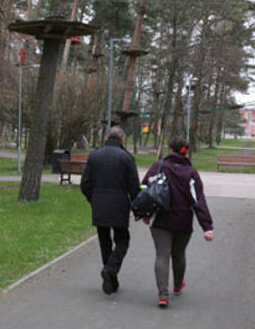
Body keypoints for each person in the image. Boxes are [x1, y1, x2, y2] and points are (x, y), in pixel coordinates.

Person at [141, 138, 214, 309]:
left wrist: (145, 213)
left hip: (160, 220)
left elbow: (145, 189)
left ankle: (163, 295)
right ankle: (177, 285)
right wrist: (207, 227)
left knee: (162, 255)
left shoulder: (158, 167)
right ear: (186, 152)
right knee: (179, 254)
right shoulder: (191, 173)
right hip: (183, 221)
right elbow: (198, 200)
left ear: (170, 149)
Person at [80, 126, 141, 295]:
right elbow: (134, 187)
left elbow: (85, 184)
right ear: (122, 139)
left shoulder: (94, 156)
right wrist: (137, 209)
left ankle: (110, 276)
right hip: (120, 204)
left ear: (107, 137)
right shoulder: (127, 158)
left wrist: (93, 199)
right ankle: (111, 269)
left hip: (99, 203)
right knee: (122, 239)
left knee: (104, 240)